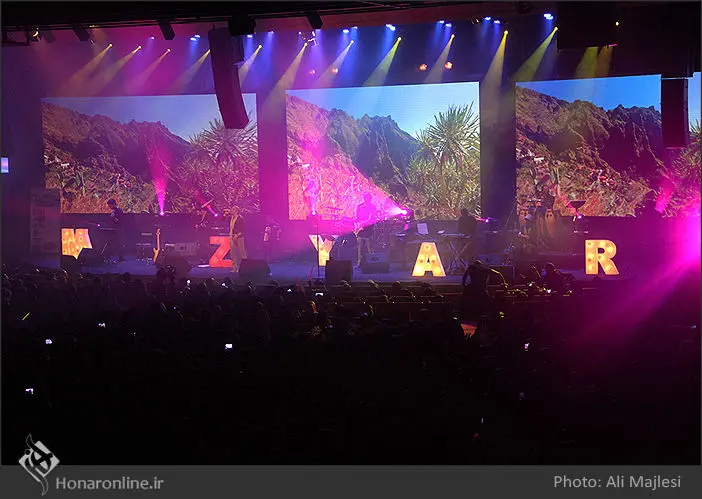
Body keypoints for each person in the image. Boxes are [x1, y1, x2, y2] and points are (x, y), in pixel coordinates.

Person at [355, 194, 377, 266]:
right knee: (360, 245)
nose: (367, 199)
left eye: (369, 198)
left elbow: (373, 217)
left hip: (368, 227)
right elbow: (357, 216)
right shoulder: (359, 206)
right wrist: (358, 225)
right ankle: (359, 262)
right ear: (364, 198)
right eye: (366, 198)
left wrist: (366, 223)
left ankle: (371, 262)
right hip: (361, 227)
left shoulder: (372, 207)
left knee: (369, 245)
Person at [227, 206, 247, 273]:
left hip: (239, 237)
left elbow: (243, 228)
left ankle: (245, 267)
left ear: (236, 211)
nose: (231, 210)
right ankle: (235, 268)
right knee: (233, 253)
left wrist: (237, 235)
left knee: (242, 252)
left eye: (233, 209)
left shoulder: (240, 218)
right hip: (232, 236)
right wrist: (225, 214)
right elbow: (222, 219)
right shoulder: (231, 217)